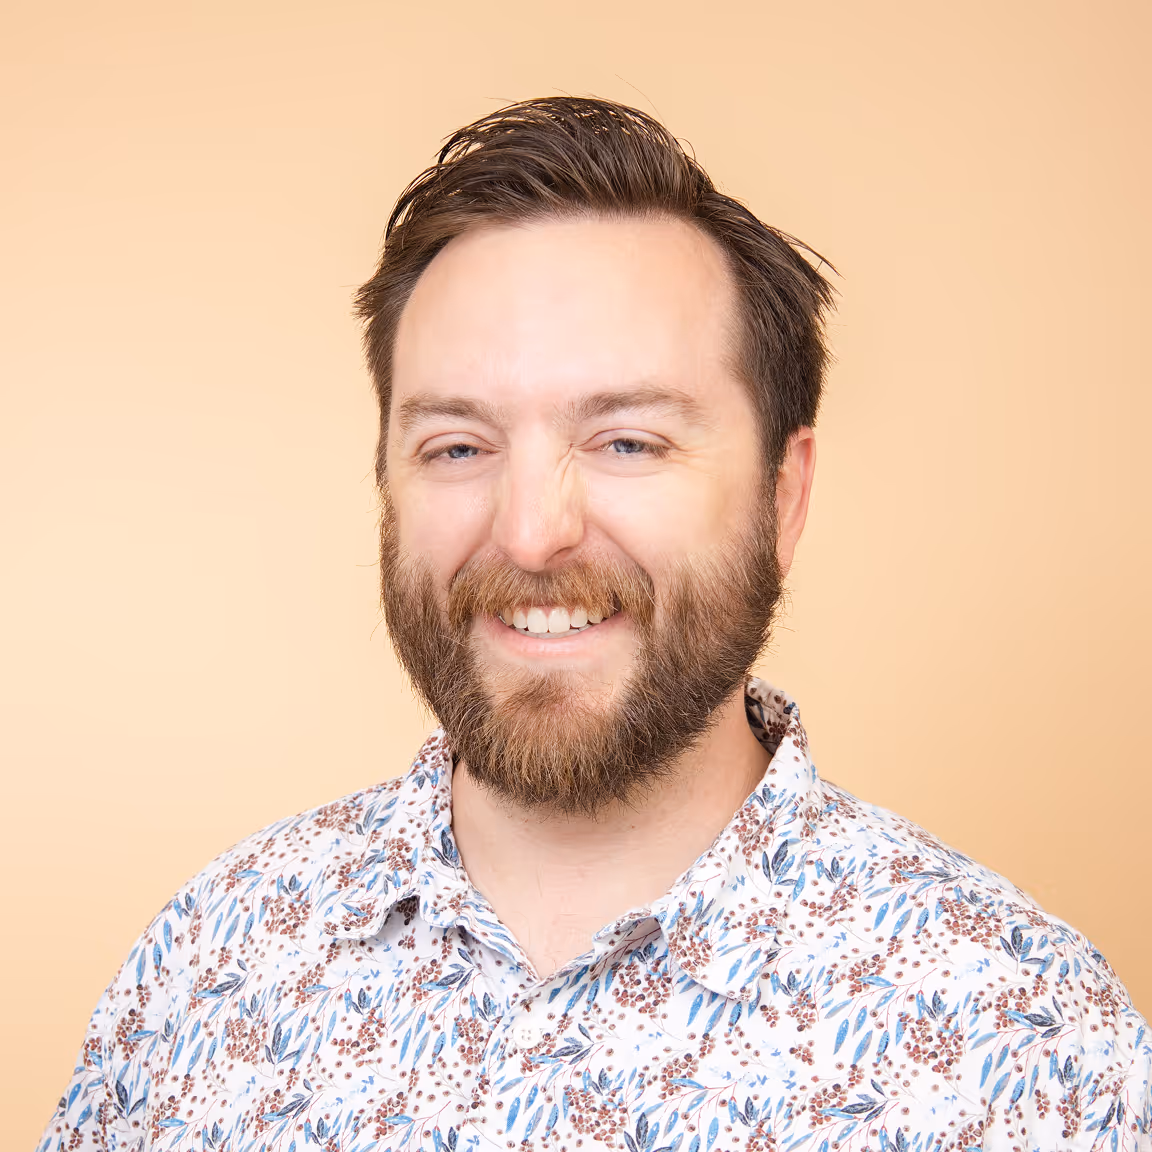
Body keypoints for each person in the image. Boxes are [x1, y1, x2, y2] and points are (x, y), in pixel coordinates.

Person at [41, 96, 1149, 1152]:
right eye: (458, 447)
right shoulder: (208, 966)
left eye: (627, 441)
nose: (530, 534)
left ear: (783, 496)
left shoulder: (1030, 1041)